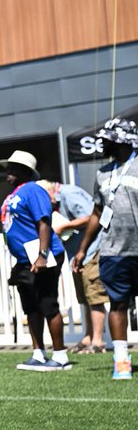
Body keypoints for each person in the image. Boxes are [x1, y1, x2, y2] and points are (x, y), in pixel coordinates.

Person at [73, 118, 138, 380]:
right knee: (118, 303)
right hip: (113, 250)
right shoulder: (103, 173)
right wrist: (82, 249)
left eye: (108, 139)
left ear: (122, 141)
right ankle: (121, 360)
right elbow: (97, 213)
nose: (103, 143)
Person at [0, 150, 70, 371]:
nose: (8, 172)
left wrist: (42, 254)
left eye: (14, 167)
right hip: (25, 259)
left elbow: (44, 222)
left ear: (25, 171)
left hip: (42, 255)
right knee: (31, 307)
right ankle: (38, 353)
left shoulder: (33, 189)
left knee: (47, 303)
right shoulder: (14, 193)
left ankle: (60, 356)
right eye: (8, 167)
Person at [38, 179, 105, 354]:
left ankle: (98, 341)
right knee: (84, 296)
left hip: (92, 249)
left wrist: (65, 226)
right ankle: (88, 336)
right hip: (77, 254)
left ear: (50, 192)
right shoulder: (57, 200)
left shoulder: (69, 193)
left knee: (94, 294)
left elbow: (92, 216)